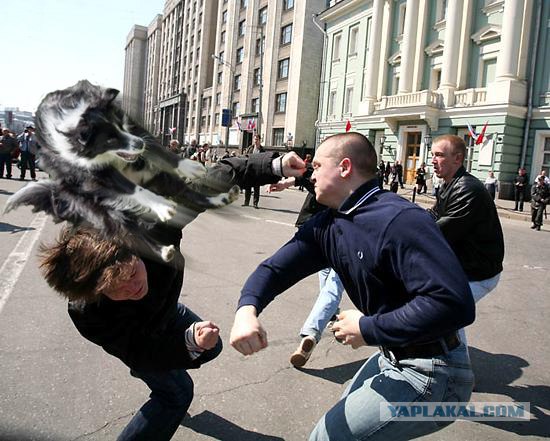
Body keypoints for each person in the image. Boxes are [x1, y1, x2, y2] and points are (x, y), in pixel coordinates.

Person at [38, 150, 306, 441]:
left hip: (167, 308)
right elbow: (140, 351)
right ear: (96, 291)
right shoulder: (87, 312)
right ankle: (159, 387)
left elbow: (209, 182)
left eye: (132, 273)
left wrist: (274, 165)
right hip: (139, 335)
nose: (134, 287)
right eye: (118, 289)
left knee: (212, 348)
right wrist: (187, 343)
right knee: (177, 393)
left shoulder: (154, 228)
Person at [230, 132, 475, 441]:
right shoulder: (329, 224)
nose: (311, 173)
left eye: (317, 165)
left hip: (434, 373)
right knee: (348, 407)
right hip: (393, 358)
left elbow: (454, 304)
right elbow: (274, 270)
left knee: (325, 437)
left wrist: (367, 328)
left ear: (344, 167)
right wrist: (246, 311)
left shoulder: (400, 219)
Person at [428, 135, 504, 345]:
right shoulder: (449, 184)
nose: (433, 160)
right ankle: (455, 370)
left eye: (440, 155)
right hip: (462, 270)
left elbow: (438, 233)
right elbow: (433, 215)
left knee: (444, 319)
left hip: (477, 274)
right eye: (432, 154)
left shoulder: (466, 189)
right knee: (447, 322)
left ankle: (458, 374)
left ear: (458, 159)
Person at [268, 169, 344, 368]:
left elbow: (309, 176)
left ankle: (322, 322)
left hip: (317, 230)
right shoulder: (352, 181)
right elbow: (310, 176)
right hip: (333, 233)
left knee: (329, 277)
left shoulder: (333, 176)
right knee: (332, 282)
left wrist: (286, 183)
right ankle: (321, 323)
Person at [243, 134, 265, 208]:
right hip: (249, 170)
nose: (255, 141)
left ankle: (255, 203)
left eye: (257, 139)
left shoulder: (262, 150)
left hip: (257, 171)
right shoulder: (250, 148)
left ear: (259, 140)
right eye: (254, 139)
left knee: (256, 188)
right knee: (248, 187)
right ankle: (246, 202)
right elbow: (246, 156)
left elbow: (264, 160)